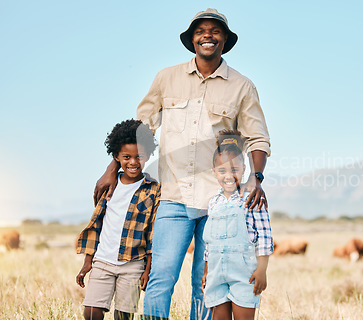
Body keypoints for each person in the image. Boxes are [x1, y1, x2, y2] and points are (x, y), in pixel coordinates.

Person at [93, 8, 271, 320]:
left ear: (225, 39)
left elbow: (258, 139)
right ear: (191, 39)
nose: (208, 35)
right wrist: (112, 169)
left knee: (206, 283)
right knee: (161, 278)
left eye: (215, 31)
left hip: (219, 204)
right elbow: (139, 130)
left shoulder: (242, 86)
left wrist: (255, 177)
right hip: (172, 197)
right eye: (201, 30)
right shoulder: (166, 78)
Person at [76, 120, 160, 320]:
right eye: (126, 157)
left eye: (139, 157)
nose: (133, 162)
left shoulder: (154, 190)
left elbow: (152, 235)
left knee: (124, 315)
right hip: (103, 261)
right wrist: (88, 262)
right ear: (116, 157)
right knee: (91, 311)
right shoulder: (109, 186)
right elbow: (95, 225)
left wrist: (148, 270)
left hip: (133, 264)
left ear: (148, 155)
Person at [202, 130, 273, 320]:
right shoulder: (213, 202)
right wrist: (207, 271)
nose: (228, 176)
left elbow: (264, 237)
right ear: (214, 172)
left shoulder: (252, 196)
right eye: (222, 170)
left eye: (234, 170)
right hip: (216, 274)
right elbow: (209, 242)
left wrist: (262, 270)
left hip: (244, 275)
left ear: (243, 169)